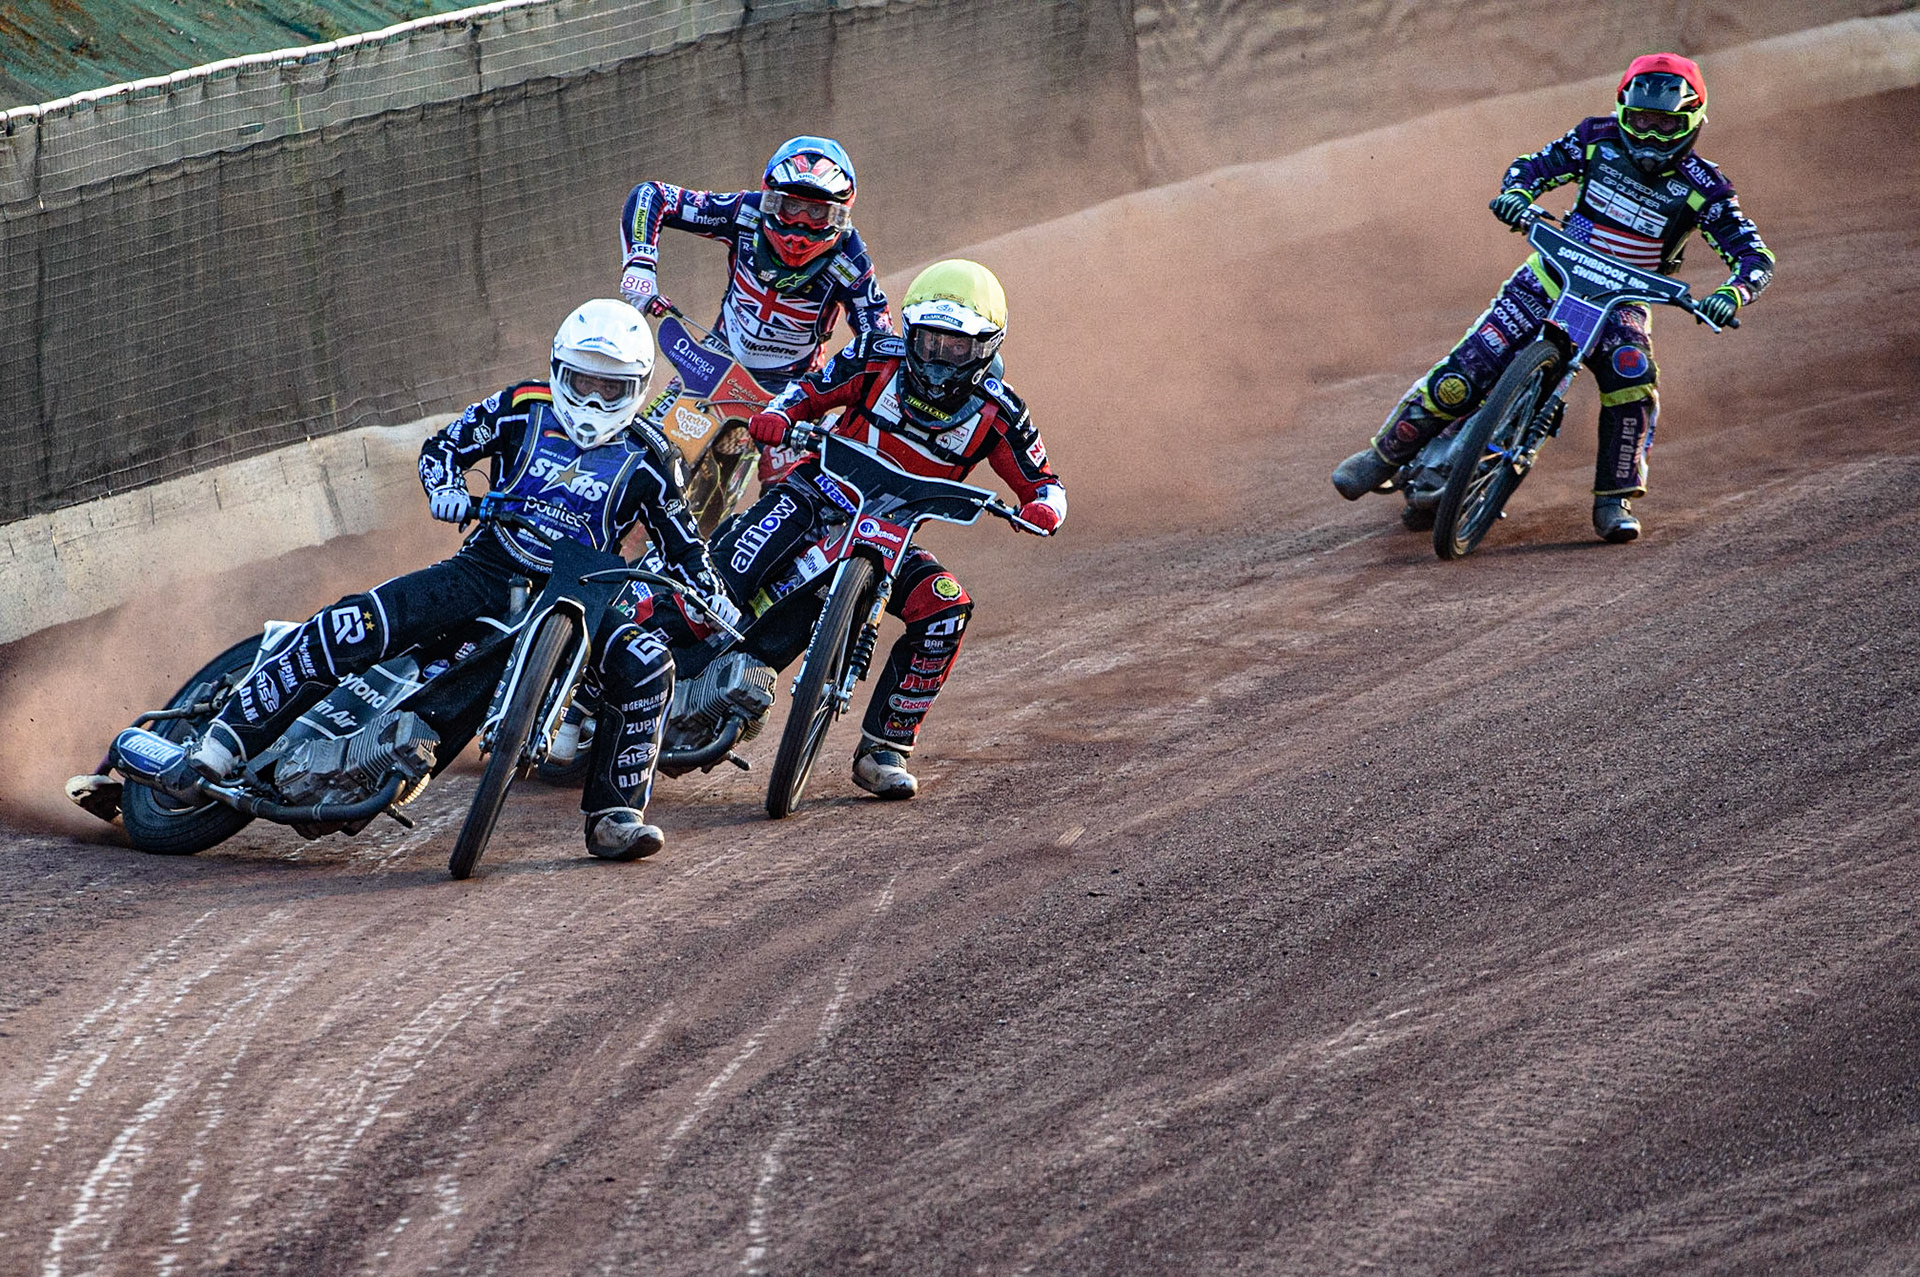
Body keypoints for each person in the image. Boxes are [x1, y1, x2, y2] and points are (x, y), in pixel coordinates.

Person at [162, 300, 737, 861]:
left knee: (648, 663)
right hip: (484, 568)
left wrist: (714, 603)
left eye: (610, 388)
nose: (592, 398)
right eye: (582, 381)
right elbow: (443, 447)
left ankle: (617, 817)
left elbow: (686, 543)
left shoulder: (652, 457)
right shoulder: (521, 404)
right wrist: (446, 490)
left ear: (637, 388)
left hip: (584, 596)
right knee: (350, 624)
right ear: (560, 369)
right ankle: (217, 745)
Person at [1331, 53, 1774, 542]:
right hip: (1550, 275)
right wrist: (1516, 195)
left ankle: (1613, 499)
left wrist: (1734, 293)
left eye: (1664, 123)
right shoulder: (1594, 139)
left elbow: (1753, 256)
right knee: (1470, 367)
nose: (1649, 136)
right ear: (1623, 112)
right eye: (1640, 120)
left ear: (1691, 122)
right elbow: (1531, 167)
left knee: (1633, 375)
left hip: (1621, 299)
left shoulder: (1707, 189)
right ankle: (1383, 456)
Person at [724, 259, 1065, 799]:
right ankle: (628, 670)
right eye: (928, 341)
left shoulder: (1001, 412)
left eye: (957, 347)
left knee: (946, 605)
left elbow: (1044, 481)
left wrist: (1041, 507)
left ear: (987, 347)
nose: (937, 359)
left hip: (893, 537)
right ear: (909, 332)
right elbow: (807, 391)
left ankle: (884, 747)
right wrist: (780, 416)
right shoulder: (873, 356)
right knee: (731, 566)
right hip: (818, 495)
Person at [617, 136, 894, 480]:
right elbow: (652, 196)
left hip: (792, 389)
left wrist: (852, 408)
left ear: (839, 213)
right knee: (643, 454)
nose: (800, 225)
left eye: (817, 212)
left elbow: (882, 347)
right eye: (791, 206)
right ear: (769, 199)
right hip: (714, 361)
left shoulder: (850, 259)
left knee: (802, 485)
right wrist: (640, 263)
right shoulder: (744, 212)